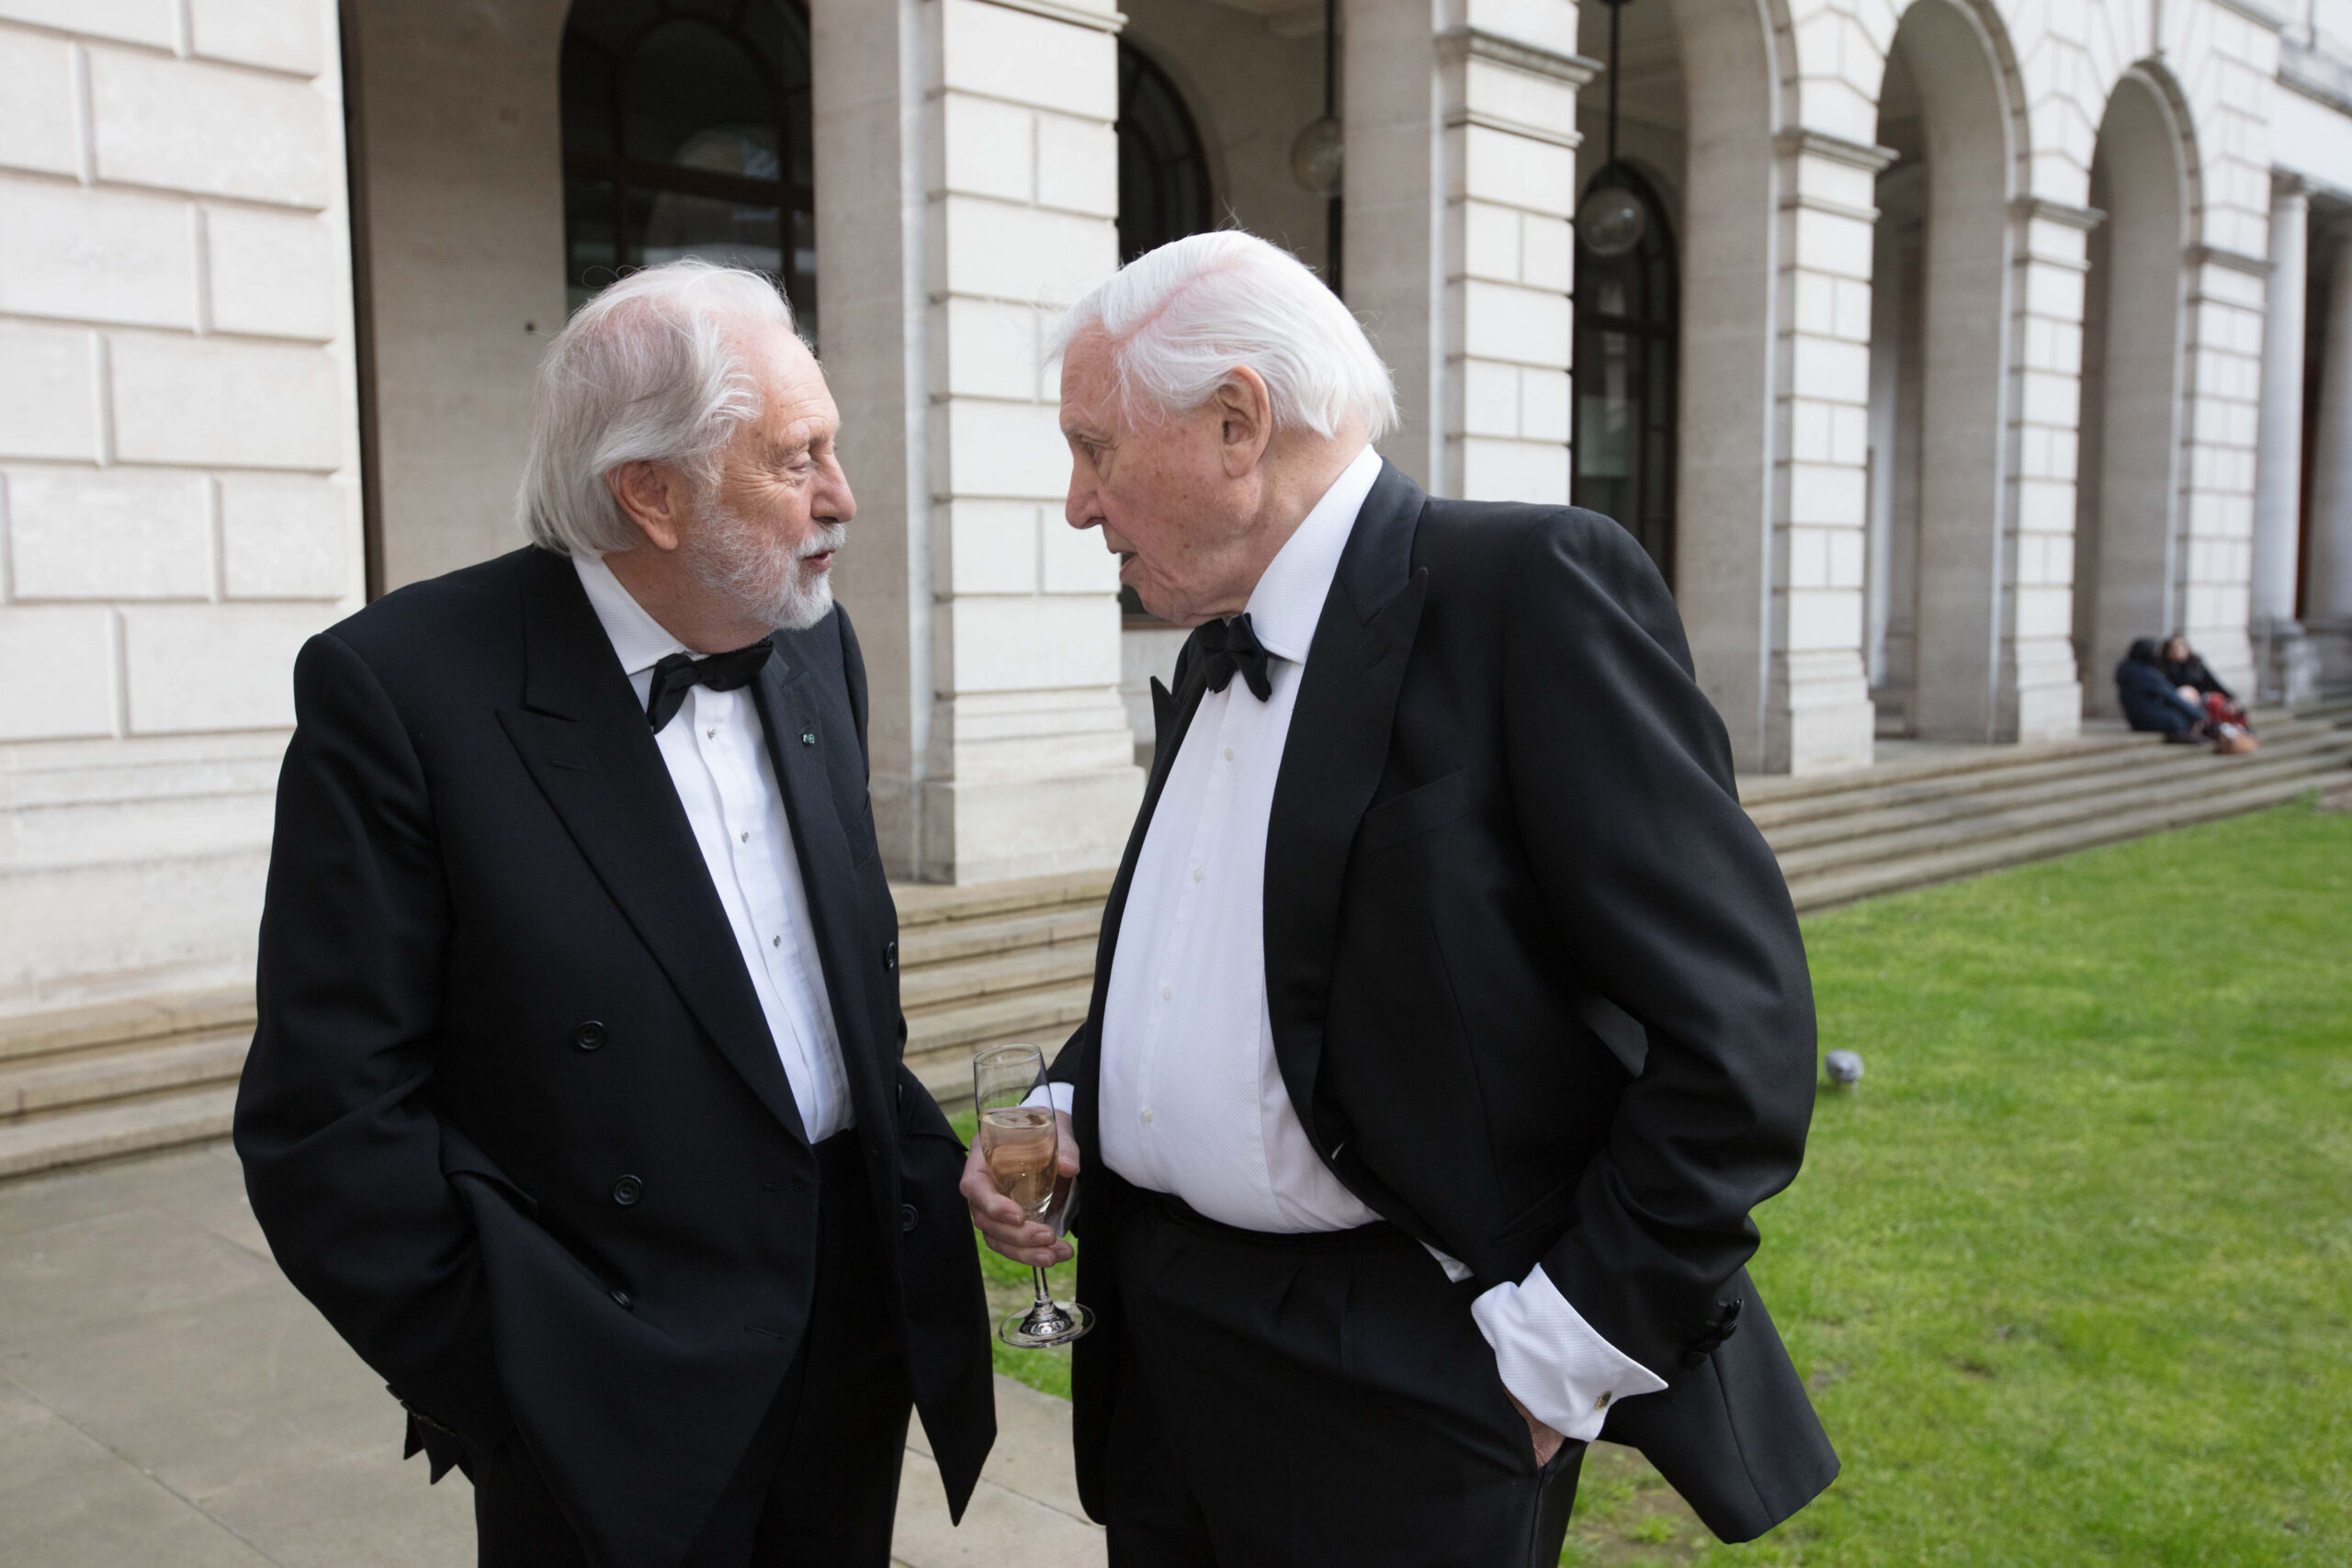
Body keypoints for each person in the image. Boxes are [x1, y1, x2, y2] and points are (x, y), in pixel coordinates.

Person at [965, 231, 1835, 1565]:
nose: (1079, 504)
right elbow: (1217, 957)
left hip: (1407, 1389)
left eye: (1098, 449)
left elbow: (1741, 1041)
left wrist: (1550, 1366)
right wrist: (1071, 1104)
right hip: (1163, 1366)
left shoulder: (1527, 590)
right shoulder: (1216, 637)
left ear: (1238, 422)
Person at [235, 261, 993, 1567]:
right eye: (793, 455)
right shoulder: (404, 689)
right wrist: (514, 1379)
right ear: (649, 491)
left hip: (846, 1328)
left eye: (833, 444)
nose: (840, 496)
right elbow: (327, 1119)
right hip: (609, 1368)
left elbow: (833, 1006)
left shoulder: (812, 640)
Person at [2118, 637, 2215, 743]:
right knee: (2179, 717)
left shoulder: (2127, 669)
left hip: (2136, 719)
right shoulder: (2146, 674)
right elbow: (2171, 697)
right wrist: (2199, 715)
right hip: (2148, 718)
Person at [2159, 633, 2255, 733]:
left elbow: (2213, 681)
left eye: (2181, 646)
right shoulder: (2164, 667)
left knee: (2224, 705)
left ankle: (2242, 729)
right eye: (2174, 647)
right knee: (2187, 694)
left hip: (2203, 698)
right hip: (2183, 702)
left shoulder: (2195, 663)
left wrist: (2230, 698)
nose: (2178, 650)